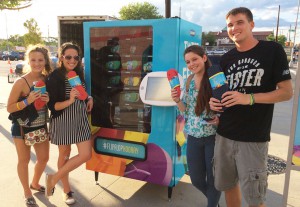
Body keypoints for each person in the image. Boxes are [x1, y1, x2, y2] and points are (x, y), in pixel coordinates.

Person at [209, 7, 293, 207]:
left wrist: (250, 98)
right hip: (224, 134)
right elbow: (225, 94)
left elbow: (286, 92)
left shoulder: (272, 50)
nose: (234, 28)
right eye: (230, 24)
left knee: (255, 197)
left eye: (240, 22)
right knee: (228, 186)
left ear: (251, 25)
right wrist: (215, 105)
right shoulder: (226, 59)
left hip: (253, 138)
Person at [171, 45, 221, 207]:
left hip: (213, 138)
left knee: (213, 180)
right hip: (193, 137)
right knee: (196, 179)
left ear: (204, 58)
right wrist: (178, 101)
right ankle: (214, 201)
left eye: (195, 59)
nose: (191, 64)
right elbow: (186, 110)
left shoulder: (216, 78)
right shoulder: (189, 81)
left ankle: (212, 204)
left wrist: (220, 118)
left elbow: (226, 104)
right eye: (188, 61)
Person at [45, 42, 93, 204]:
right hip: (63, 120)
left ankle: (53, 178)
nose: (72, 60)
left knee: (86, 154)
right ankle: (66, 191)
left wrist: (89, 98)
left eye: (76, 57)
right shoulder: (54, 77)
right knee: (64, 156)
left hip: (80, 120)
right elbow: (53, 106)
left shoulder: (79, 73)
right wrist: (71, 99)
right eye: (68, 57)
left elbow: (83, 93)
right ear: (61, 58)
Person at [7, 44, 52, 207]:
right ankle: (27, 192)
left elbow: (52, 102)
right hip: (21, 127)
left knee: (44, 158)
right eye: (33, 60)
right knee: (24, 160)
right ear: (28, 60)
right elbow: (10, 107)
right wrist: (27, 101)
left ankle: (34, 182)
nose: (37, 63)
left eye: (40, 60)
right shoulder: (21, 82)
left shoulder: (48, 79)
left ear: (45, 61)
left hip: (40, 126)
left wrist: (49, 101)